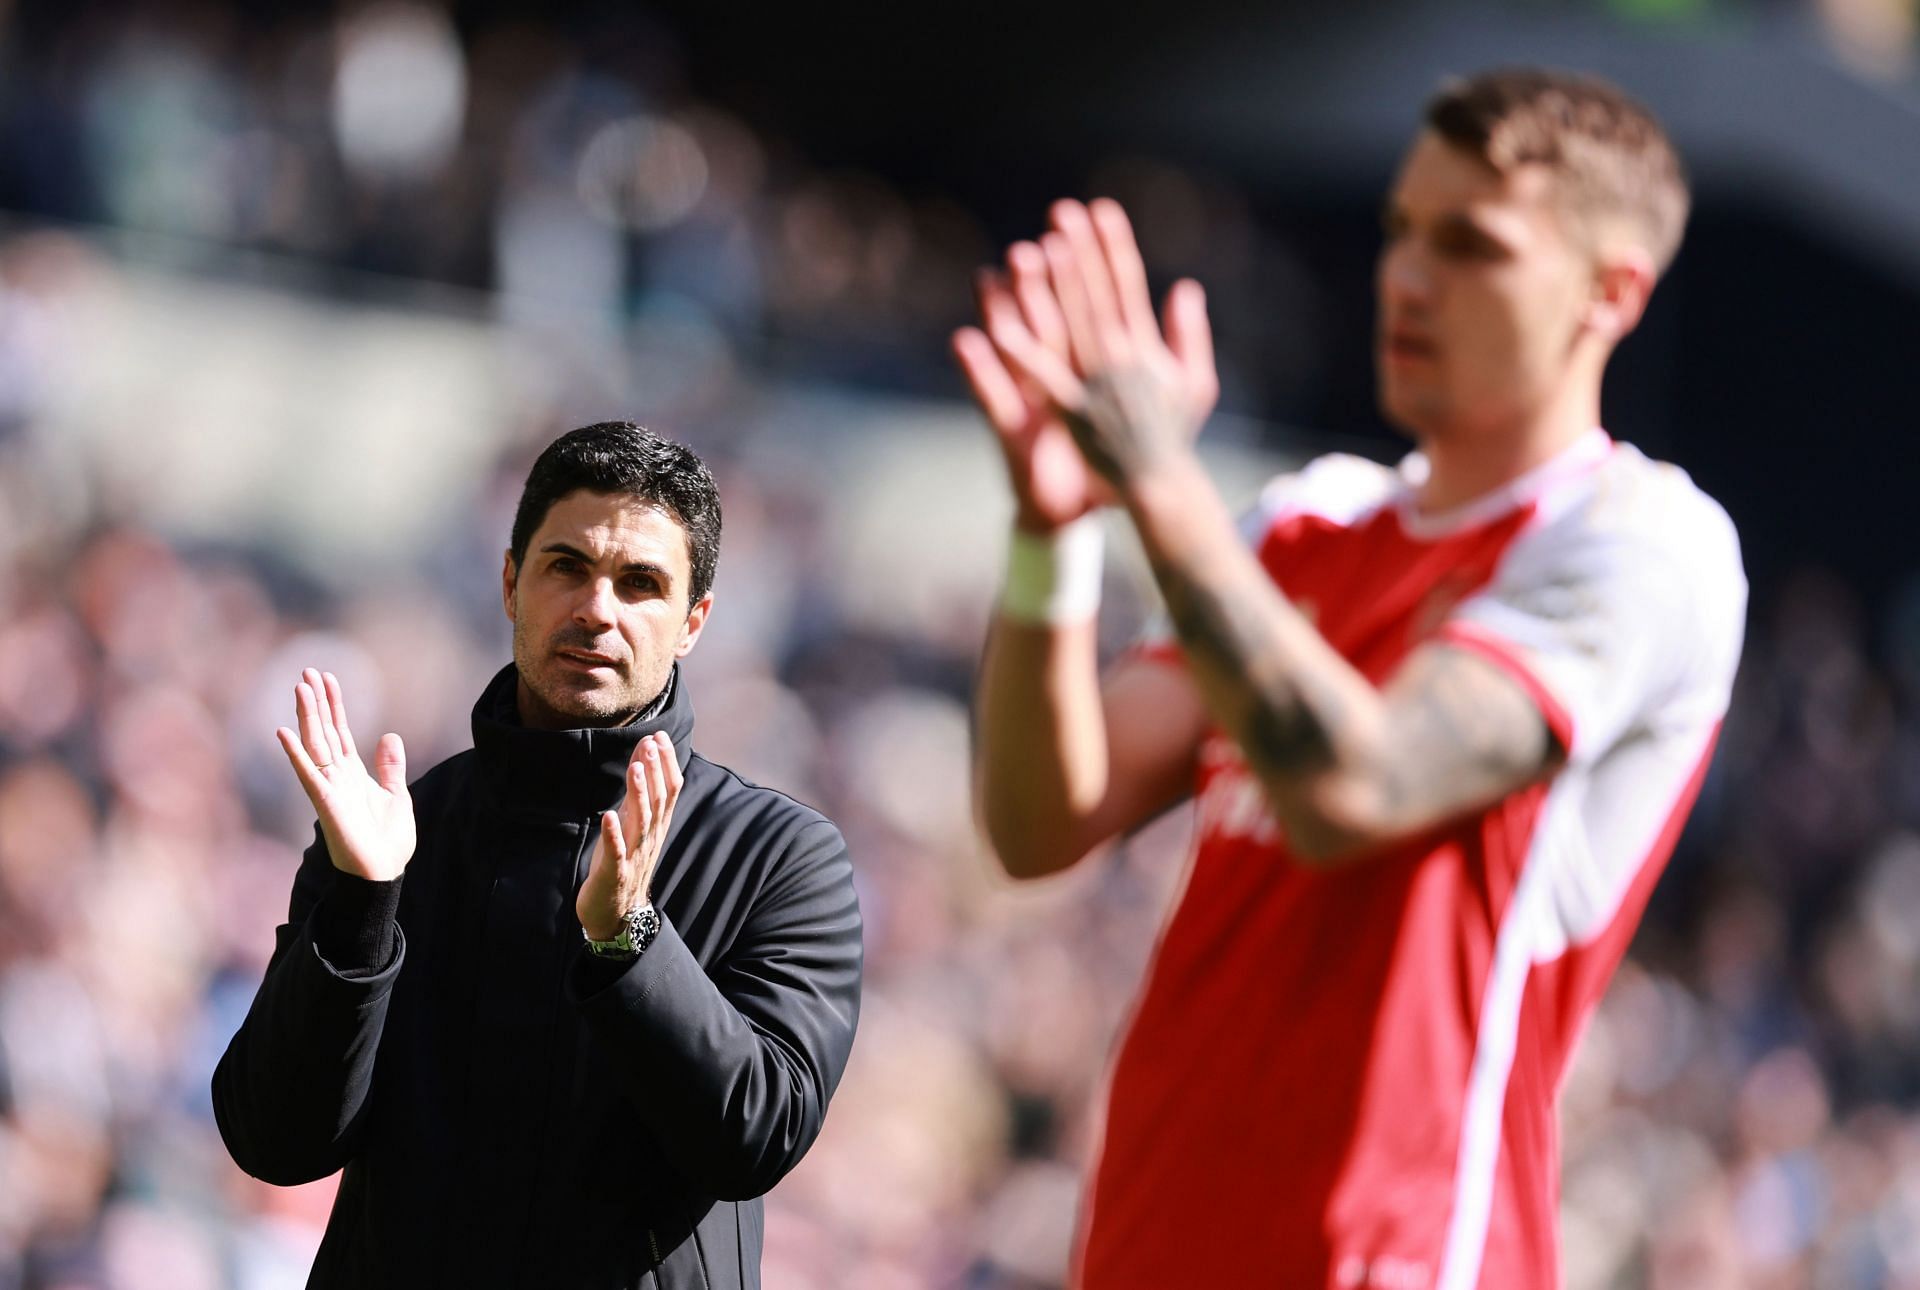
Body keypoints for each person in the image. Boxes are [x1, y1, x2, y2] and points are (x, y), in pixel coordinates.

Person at [955, 69, 1745, 1288]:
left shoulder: (1639, 542)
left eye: (1472, 244)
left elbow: (1355, 786)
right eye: (1400, 231)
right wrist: (1053, 532)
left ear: (1614, 291)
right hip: (1147, 1250)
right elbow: (1041, 817)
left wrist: (1161, 482)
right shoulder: (1306, 526)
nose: (1408, 277)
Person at [212, 423, 863, 1290]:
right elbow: (275, 1141)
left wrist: (630, 940)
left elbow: (756, 1135)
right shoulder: (402, 831)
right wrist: (363, 908)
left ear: (694, 621)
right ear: (512, 582)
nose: (598, 608)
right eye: (568, 567)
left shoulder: (780, 857)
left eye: (641, 583)